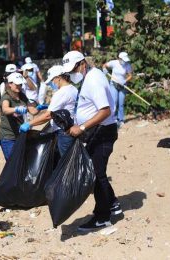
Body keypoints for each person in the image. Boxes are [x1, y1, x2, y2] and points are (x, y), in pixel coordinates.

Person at [62, 51, 122, 231]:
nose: (71, 74)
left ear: (82, 64)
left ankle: (102, 217)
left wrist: (81, 127)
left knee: (96, 174)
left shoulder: (93, 80)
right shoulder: (90, 77)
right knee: (97, 172)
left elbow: (105, 111)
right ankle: (112, 203)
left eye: (73, 69)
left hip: (103, 132)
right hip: (97, 131)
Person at [19, 65, 78, 156]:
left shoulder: (61, 93)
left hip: (63, 132)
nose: (52, 83)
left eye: (52, 80)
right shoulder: (73, 89)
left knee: (65, 163)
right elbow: (66, 107)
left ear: (58, 78)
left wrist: (29, 124)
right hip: (72, 129)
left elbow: (48, 115)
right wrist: (48, 106)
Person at [0, 72, 39, 160]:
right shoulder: (6, 97)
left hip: (20, 135)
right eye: (17, 84)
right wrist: (16, 109)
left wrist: (39, 108)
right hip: (8, 137)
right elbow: (5, 109)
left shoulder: (22, 96)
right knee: (12, 163)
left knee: (22, 162)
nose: (19, 86)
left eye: (20, 84)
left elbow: (32, 111)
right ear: (10, 84)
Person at [102, 52, 133, 126]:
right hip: (113, 84)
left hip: (122, 85)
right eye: (123, 60)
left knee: (121, 103)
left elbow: (130, 76)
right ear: (119, 58)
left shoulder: (127, 65)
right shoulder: (114, 63)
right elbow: (104, 65)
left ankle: (120, 120)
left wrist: (124, 81)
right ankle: (113, 118)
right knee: (114, 102)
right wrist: (104, 70)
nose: (124, 61)